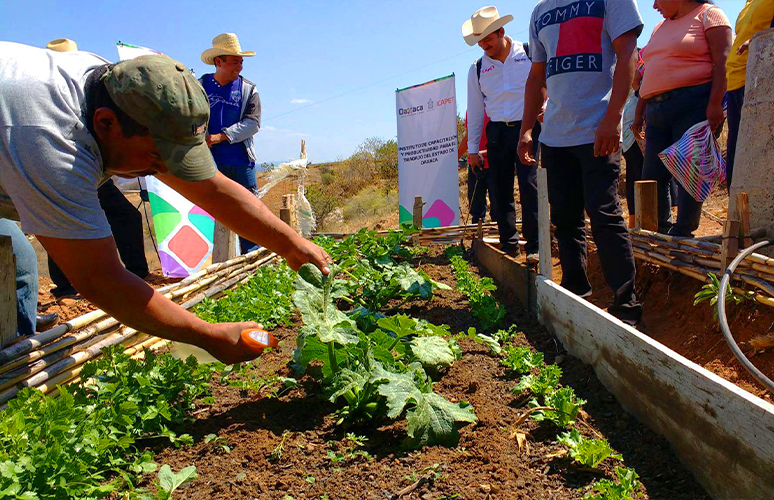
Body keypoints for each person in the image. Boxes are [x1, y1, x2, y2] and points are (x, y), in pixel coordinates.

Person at [0, 42, 330, 364]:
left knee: (20, 265)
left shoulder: (121, 90)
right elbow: (99, 279)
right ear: (105, 123)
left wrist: (291, 244)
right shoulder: (50, 146)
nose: (164, 170)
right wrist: (207, 335)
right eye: (158, 158)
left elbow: (212, 191)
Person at [518, 0, 643, 325]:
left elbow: (628, 53)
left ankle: (626, 305)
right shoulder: (540, 12)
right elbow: (536, 76)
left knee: (604, 214)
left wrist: (612, 118)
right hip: (555, 137)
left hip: (597, 130)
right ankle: (576, 293)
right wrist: (527, 129)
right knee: (565, 219)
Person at [43, 38, 149, 299]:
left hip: (95, 172)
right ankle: (66, 288)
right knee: (61, 225)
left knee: (127, 216)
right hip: (65, 171)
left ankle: (138, 275)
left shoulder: (85, 89)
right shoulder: (48, 93)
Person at [634, 0, 732, 237]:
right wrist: (638, 114)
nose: (654, 5)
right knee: (652, 176)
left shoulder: (710, 15)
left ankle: (683, 232)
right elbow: (650, 71)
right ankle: (659, 231)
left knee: (690, 171)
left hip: (693, 104)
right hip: (656, 110)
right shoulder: (659, 27)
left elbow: (723, 62)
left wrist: (715, 104)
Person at [464, 6, 541, 260]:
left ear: (501, 32)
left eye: (488, 38)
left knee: (529, 186)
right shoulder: (477, 69)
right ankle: (510, 244)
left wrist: (545, 108)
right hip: (497, 132)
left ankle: (534, 246)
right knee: (500, 190)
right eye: (480, 41)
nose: (484, 45)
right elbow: (476, 112)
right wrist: (472, 150)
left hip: (527, 128)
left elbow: (546, 84)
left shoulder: (528, 54)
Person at [199, 33, 261, 254]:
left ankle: (252, 260)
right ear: (218, 61)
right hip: (208, 163)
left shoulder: (248, 89)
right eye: (234, 61)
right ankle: (214, 260)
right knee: (209, 213)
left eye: (241, 62)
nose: (239, 66)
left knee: (249, 212)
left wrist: (220, 136)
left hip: (241, 162)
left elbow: (253, 123)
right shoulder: (199, 86)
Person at [725, 0, 774, 191]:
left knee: (759, 157)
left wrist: (759, 41)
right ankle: (737, 207)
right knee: (737, 155)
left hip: (760, 82)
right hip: (736, 81)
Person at [458, 111, 493, 224]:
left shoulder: (495, 105)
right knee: (476, 209)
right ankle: (477, 232)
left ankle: (498, 232)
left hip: (495, 162)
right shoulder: (471, 110)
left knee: (498, 207)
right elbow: (469, 137)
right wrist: (455, 158)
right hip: (475, 165)